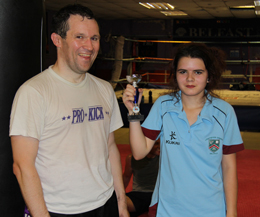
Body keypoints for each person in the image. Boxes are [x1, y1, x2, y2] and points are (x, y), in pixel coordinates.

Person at [9, 4, 129, 217]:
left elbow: (110, 146)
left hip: (105, 203)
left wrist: (120, 203)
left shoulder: (104, 89)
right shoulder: (34, 92)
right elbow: (22, 166)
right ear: (57, 40)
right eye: (80, 37)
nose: (89, 46)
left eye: (94, 38)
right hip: (59, 210)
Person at [122, 43, 244, 217]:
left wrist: (232, 212)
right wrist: (133, 113)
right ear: (175, 75)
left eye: (198, 72)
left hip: (211, 209)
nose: (190, 78)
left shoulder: (224, 112)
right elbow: (139, 153)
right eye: (183, 71)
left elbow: (229, 167)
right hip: (169, 209)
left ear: (209, 76)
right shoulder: (163, 106)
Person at [123, 140, 160, 217]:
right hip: (138, 195)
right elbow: (126, 177)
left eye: (160, 143)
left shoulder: (164, 158)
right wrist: (120, 195)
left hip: (158, 196)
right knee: (116, 204)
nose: (159, 146)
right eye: (156, 144)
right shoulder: (131, 158)